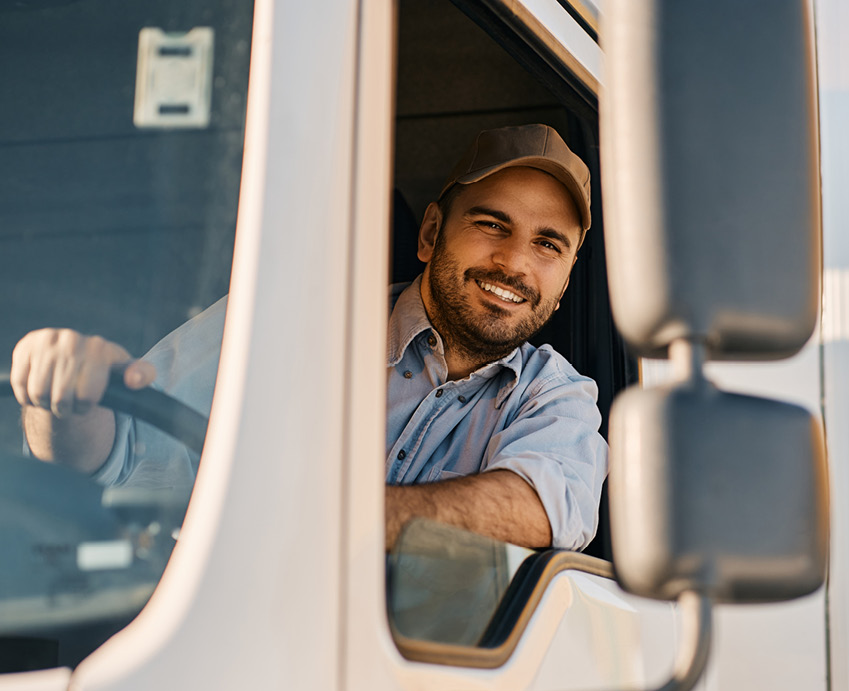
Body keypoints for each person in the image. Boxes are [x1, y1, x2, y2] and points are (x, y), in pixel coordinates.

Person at [11, 124, 607, 551]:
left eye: (547, 244)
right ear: (430, 233)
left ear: (565, 279)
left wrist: (312, 520)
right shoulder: (287, 319)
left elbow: (542, 508)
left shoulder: (557, 396)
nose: (513, 263)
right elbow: (118, 453)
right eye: (490, 224)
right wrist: (61, 400)